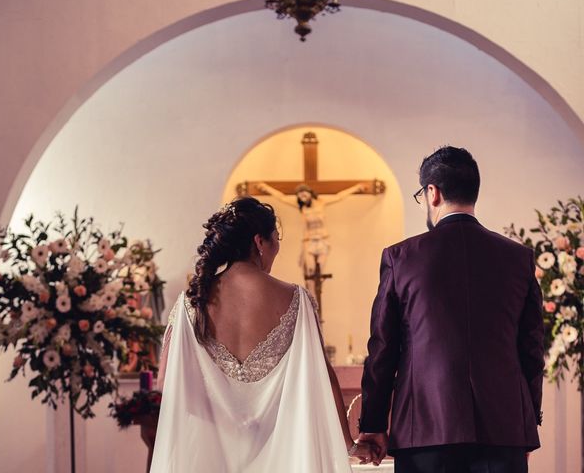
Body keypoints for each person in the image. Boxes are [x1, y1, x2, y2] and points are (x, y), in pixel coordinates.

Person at [355, 146, 544, 472]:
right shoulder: (518, 258)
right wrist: (525, 426)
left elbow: (383, 349)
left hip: (424, 430)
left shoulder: (401, 258)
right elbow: (531, 348)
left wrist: (373, 425)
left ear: (433, 192)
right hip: (504, 430)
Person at [151, 196, 360, 472]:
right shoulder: (296, 299)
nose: (277, 247)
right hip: (283, 455)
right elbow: (324, 377)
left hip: (210, 457)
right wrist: (348, 444)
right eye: (276, 238)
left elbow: (166, 385)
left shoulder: (191, 301)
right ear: (260, 242)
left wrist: (224, 423)